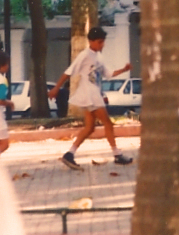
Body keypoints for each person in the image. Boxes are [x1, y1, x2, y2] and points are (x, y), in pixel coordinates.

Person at [48, 27, 133, 169]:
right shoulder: (85, 55)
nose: (102, 45)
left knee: (89, 128)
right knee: (108, 123)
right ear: (91, 41)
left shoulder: (99, 57)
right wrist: (56, 88)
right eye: (99, 42)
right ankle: (117, 154)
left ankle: (69, 154)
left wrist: (123, 70)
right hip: (90, 95)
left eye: (103, 42)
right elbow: (69, 72)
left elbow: (108, 74)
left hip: (93, 95)